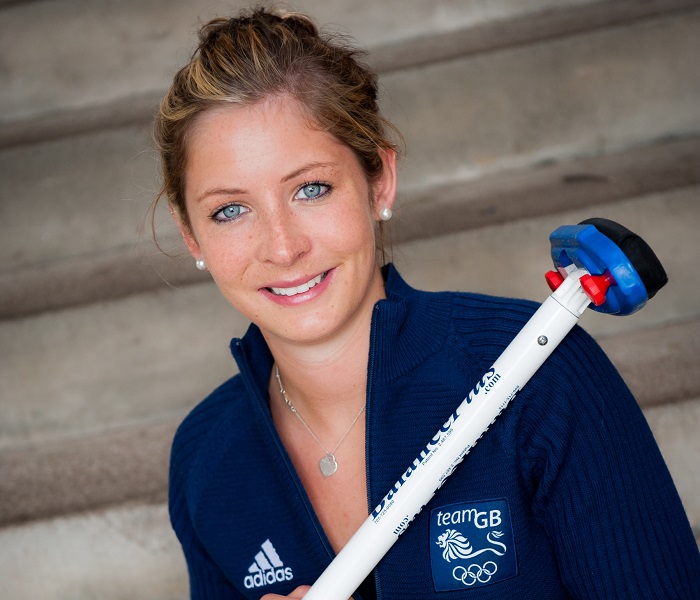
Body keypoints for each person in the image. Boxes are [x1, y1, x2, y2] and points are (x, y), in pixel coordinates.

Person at [154, 8, 700, 599]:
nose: (283, 248)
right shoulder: (204, 460)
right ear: (191, 235)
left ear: (379, 182)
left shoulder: (543, 376)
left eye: (311, 189)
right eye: (230, 210)